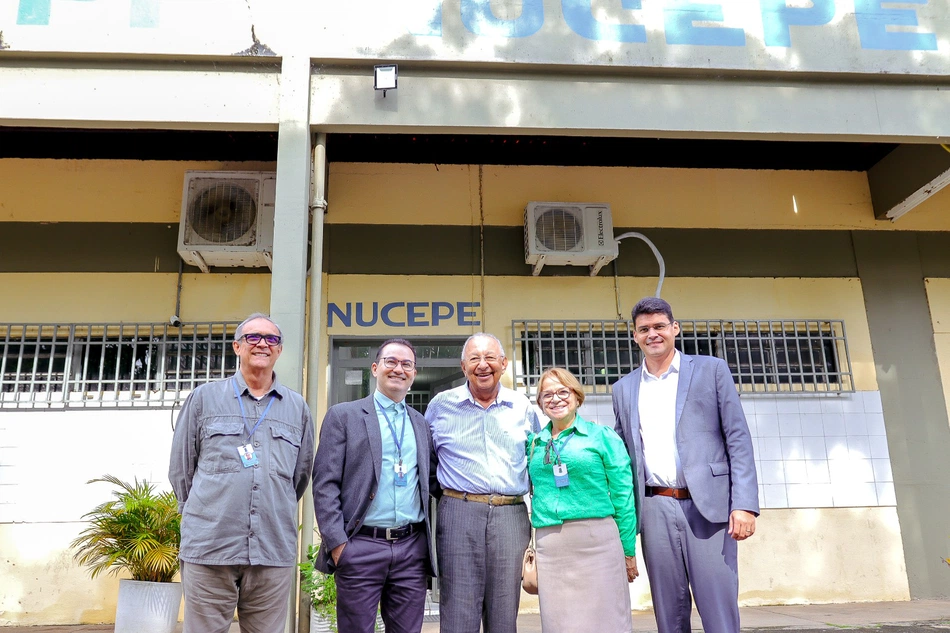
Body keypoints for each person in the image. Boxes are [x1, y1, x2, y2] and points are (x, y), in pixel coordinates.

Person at [613, 297, 759, 633]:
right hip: (653, 508)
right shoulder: (623, 388)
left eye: (660, 326)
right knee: (669, 613)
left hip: (708, 507)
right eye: (644, 329)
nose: (653, 334)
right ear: (635, 336)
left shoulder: (711, 369)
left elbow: (737, 437)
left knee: (718, 610)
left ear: (674, 328)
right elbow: (623, 459)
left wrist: (745, 505)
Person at [169, 312, 315, 633]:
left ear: (279, 351)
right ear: (237, 346)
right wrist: (200, 515)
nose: (263, 343)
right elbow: (181, 469)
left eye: (272, 339)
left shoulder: (297, 408)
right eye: (253, 337)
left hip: (271, 550)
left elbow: (299, 477)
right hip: (210, 547)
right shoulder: (203, 398)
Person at [312, 338, 437, 633]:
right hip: (360, 546)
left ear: (414, 373)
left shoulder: (420, 423)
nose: (399, 369)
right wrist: (339, 545)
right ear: (375, 368)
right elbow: (324, 484)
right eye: (391, 361)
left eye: (407, 364)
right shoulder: (344, 416)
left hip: (410, 549)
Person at [425, 333, 540, 633]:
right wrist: (452, 495)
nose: (483, 365)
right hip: (458, 512)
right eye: (474, 359)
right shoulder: (441, 405)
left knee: (504, 613)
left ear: (503, 364)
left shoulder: (522, 406)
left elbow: (538, 461)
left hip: (510, 514)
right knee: (458, 612)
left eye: (490, 357)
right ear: (463, 366)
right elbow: (427, 461)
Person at [527, 367, 638, 633]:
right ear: (540, 404)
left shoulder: (602, 437)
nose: (555, 399)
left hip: (597, 544)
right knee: (558, 624)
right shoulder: (534, 443)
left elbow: (624, 496)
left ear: (577, 397)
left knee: (607, 622)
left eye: (563, 391)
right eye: (547, 394)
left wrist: (628, 549)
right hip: (551, 547)